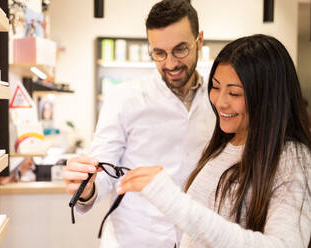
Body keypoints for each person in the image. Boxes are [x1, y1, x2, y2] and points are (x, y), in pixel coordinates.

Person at [117, 34, 311, 247]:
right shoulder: (224, 144)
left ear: (267, 96)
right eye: (216, 87)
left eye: (235, 93)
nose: (220, 102)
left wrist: (173, 201)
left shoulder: (291, 158)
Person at [63, 0, 216, 247]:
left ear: (199, 41)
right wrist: (88, 187)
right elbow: (104, 168)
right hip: (136, 238)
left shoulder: (219, 98)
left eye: (180, 49)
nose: (170, 63)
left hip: (199, 236)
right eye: (159, 53)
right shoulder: (124, 98)